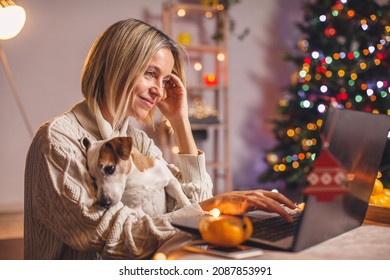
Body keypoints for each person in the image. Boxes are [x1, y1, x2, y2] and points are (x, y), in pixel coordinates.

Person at [24, 18, 296, 260]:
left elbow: (190, 207)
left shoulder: (137, 142)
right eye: (150, 73)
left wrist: (180, 121)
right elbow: (115, 237)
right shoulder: (57, 140)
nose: (159, 92)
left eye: (165, 80)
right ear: (117, 65)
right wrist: (209, 208)